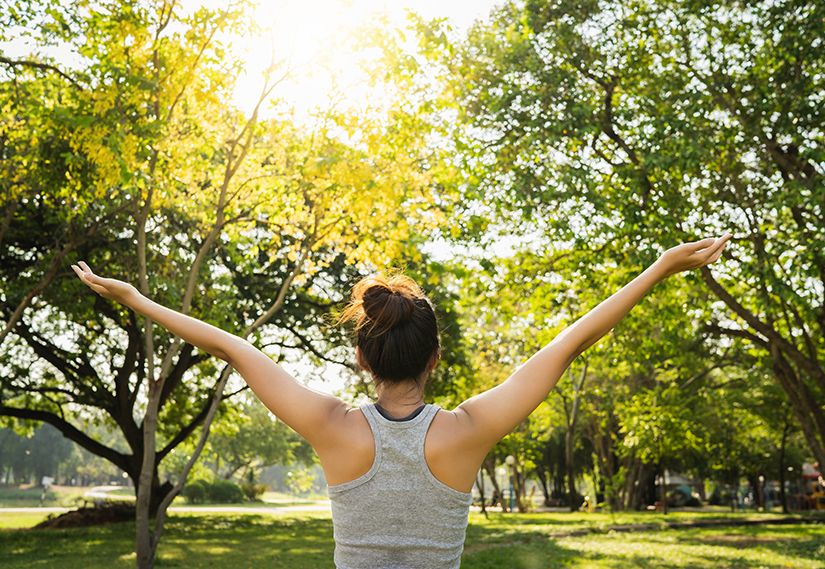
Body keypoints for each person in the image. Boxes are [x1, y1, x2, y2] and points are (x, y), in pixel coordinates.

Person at [71, 232, 730, 568]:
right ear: (435, 358)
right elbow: (567, 345)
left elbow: (235, 349)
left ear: (361, 358)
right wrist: (659, 267)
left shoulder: (332, 428)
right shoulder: (466, 430)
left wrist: (136, 298)